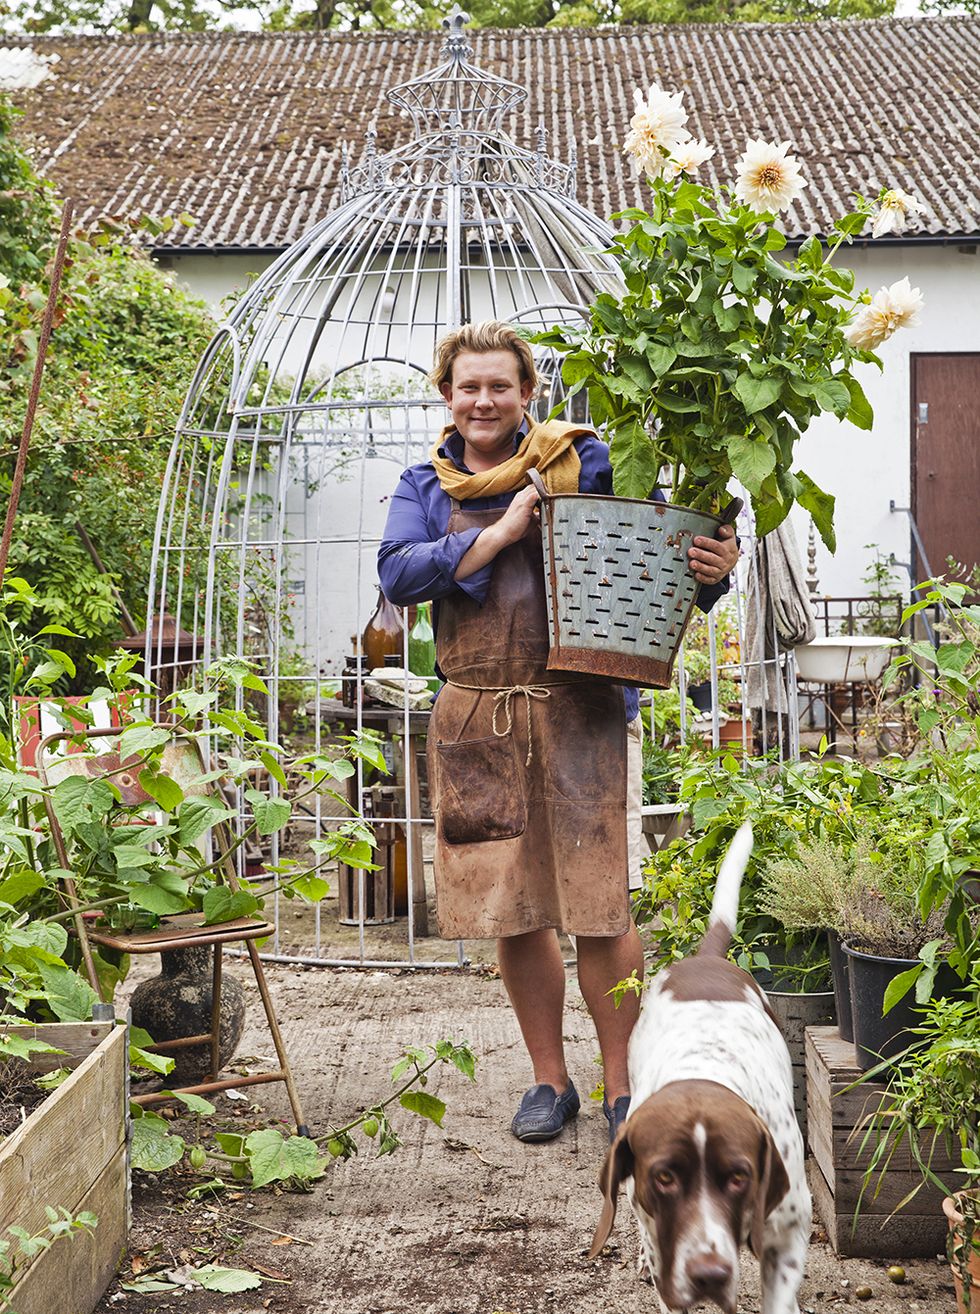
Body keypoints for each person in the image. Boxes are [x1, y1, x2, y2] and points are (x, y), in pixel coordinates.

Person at [378, 320, 739, 1145]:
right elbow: (397, 571)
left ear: (527, 393)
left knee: (600, 902)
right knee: (517, 906)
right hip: (477, 713)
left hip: (577, 708)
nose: (483, 400)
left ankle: (623, 1086)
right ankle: (550, 1082)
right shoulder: (424, 485)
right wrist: (500, 533)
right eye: (468, 386)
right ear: (445, 395)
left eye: (499, 386)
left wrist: (714, 568)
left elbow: (651, 552)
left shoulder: (584, 463)